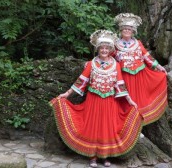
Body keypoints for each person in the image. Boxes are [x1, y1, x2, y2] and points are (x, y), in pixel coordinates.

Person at [50, 30, 142, 168]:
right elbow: (81, 81)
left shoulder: (116, 65)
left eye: (107, 48)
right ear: (98, 49)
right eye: (101, 48)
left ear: (111, 49)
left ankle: (105, 156)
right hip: (93, 101)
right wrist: (66, 94)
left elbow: (120, 84)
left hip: (110, 102)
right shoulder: (91, 64)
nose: (104, 50)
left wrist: (130, 101)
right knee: (94, 126)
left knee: (107, 127)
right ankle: (93, 156)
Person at [113, 13, 168, 126]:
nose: (127, 31)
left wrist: (159, 67)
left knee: (139, 101)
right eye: (124, 29)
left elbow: (146, 57)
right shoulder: (115, 45)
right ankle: (129, 126)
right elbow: (107, 59)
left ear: (133, 31)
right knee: (126, 102)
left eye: (129, 29)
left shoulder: (138, 43)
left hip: (140, 76)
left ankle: (139, 125)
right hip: (124, 78)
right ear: (121, 30)